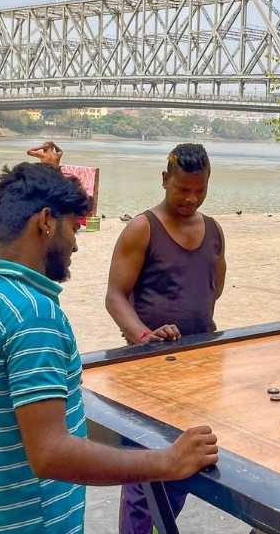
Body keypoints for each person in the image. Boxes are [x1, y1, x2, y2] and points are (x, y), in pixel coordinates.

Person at [0, 162, 218, 534]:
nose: (76, 244)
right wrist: (168, 461)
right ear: (46, 222)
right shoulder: (34, 314)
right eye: (74, 227)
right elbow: (51, 454)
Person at [105, 143, 226, 534]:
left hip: (199, 370)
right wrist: (143, 334)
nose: (190, 199)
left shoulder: (214, 231)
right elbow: (115, 295)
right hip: (147, 372)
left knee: (188, 461)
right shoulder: (142, 228)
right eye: (182, 190)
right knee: (144, 475)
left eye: (199, 191)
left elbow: (213, 287)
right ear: (164, 181)